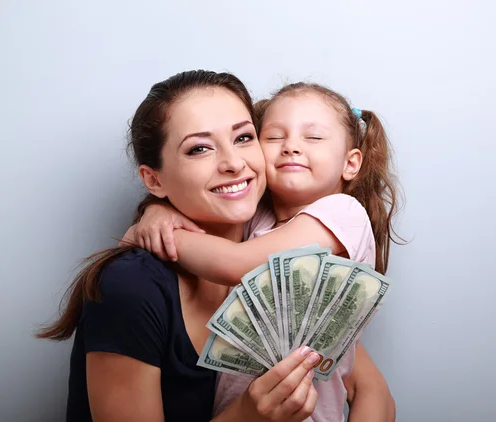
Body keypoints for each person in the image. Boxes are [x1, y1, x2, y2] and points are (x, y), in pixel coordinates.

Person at [37, 70, 322, 422]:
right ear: (153, 180)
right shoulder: (130, 288)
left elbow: (373, 389)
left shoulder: (272, 248)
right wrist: (248, 415)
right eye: (199, 148)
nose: (234, 163)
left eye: (244, 137)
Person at [125, 81, 401, 421]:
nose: (291, 148)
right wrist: (157, 211)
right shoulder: (257, 219)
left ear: (351, 164)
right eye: (273, 137)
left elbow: (234, 264)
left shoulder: (342, 213)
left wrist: (158, 236)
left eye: (313, 138)